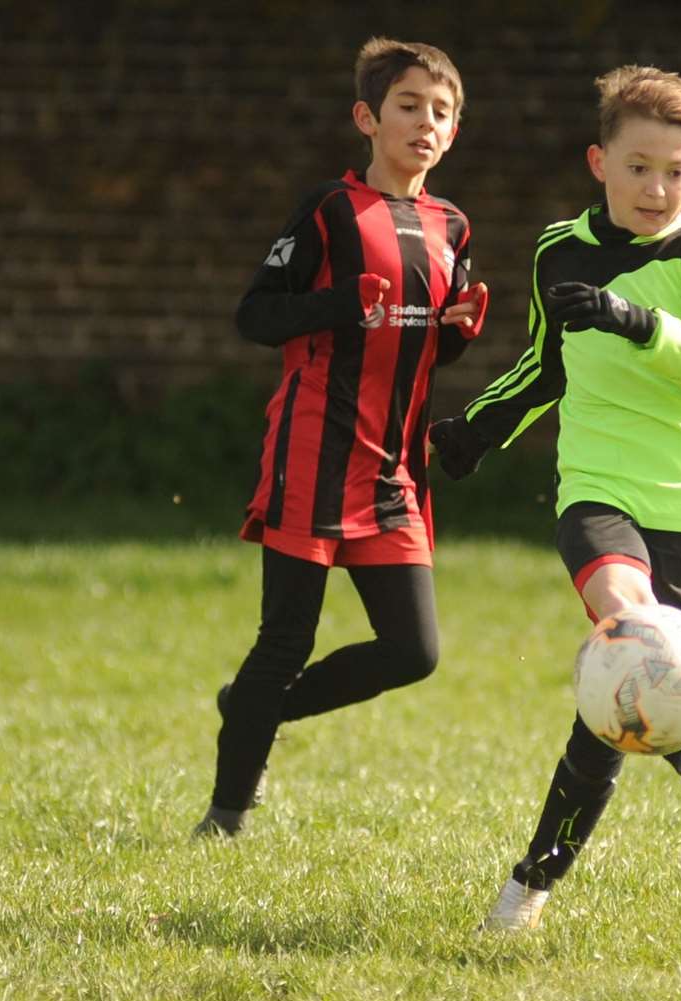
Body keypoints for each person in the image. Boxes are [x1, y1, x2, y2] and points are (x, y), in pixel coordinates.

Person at [430, 65, 681, 931]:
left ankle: (529, 889)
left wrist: (635, 320)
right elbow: (545, 366)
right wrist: (475, 429)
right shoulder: (558, 250)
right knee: (626, 629)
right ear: (598, 162)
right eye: (638, 166)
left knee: (615, 710)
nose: (657, 188)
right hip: (597, 485)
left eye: (677, 171)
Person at [193, 37, 487, 838]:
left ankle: (250, 709)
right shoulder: (329, 210)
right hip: (313, 456)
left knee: (413, 651)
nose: (425, 122)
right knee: (285, 639)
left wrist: (458, 332)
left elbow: (424, 342)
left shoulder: (452, 227)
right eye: (407, 106)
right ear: (367, 117)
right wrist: (332, 305)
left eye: (441, 111)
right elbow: (255, 315)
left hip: (395, 471)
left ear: (454, 131)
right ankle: (225, 818)